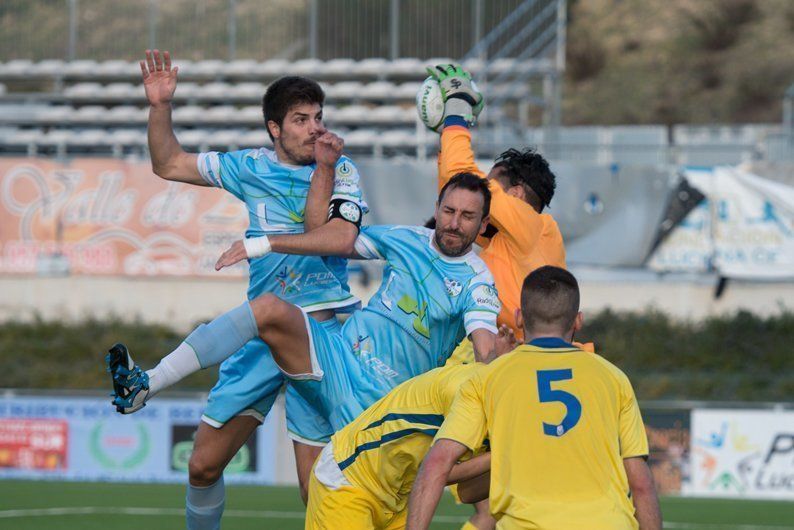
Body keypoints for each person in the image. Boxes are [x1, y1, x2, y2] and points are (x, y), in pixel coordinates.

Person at [108, 49, 367, 528]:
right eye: (301, 119)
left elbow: (335, 236)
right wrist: (160, 106)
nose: (315, 128)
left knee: (319, 495)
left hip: (325, 334)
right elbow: (167, 163)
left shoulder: (341, 169)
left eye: (318, 117)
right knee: (202, 466)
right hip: (262, 335)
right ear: (275, 128)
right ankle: (147, 385)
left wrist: (265, 242)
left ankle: (151, 381)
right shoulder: (248, 166)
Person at [111, 172, 501, 449]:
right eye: (449, 211)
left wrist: (501, 369)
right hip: (337, 361)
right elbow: (334, 241)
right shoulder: (407, 239)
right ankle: (147, 383)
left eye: (467, 217)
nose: (453, 223)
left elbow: (484, 347)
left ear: (482, 224)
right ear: (438, 206)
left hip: (383, 402)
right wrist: (262, 244)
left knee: (318, 502)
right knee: (267, 309)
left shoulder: (477, 281)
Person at [406, 266, 662, 530]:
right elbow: (641, 483)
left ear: (518, 317)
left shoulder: (488, 378)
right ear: (578, 321)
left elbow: (437, 463)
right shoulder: (614, 378)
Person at [426, 64, 567, 366]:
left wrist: (457, 113)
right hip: (517, 359)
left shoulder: (532, 223)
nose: (481, 189)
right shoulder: (513, 238)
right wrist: (448, 133)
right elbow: (455, 194)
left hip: (524, 364)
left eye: (490, 182)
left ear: (515, 195)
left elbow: (460, 176)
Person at [305, 360, 498, 530]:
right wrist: (505, 454)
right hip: (351, 477)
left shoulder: (503, 400)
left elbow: (467, 492)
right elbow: (437, 469)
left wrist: (511, 460)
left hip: (398, 498)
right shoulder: (474, 390)